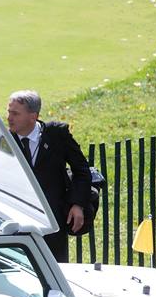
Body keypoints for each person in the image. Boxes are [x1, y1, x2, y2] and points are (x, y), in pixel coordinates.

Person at [6, 90, 92, 263]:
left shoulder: (57, 135)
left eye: (15, 113)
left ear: (33, 116)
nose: (9, 118)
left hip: (52, 222)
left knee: (55, 268)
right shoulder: (3, 139)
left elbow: (81, 170)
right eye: (8, 112)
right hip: (16, 219)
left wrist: (78, 204)